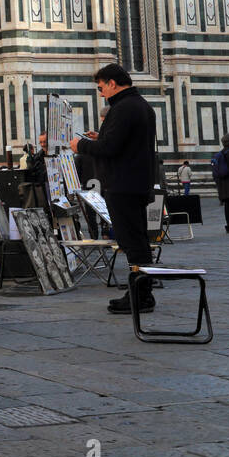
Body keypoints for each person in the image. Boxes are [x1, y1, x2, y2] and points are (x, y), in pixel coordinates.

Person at [71, 63, 158, 314]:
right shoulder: (141, 105)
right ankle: (142, 292)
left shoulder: (122, 108)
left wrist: (82, 145)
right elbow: (124, 144)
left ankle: (140, 296)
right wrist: (101, 138)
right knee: (137, 240)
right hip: (136, 184)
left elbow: (110, 149)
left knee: (132, 243)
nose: (100, 93)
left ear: (112, 83)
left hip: (124, 186)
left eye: (101, 88)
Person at [22, 133, 48, 207]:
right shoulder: (37, 157)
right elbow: (31, 174)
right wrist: (30, 164)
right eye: (41, 142)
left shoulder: (58, 154)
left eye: (45, 142)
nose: (42, 144)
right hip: (42, 192)